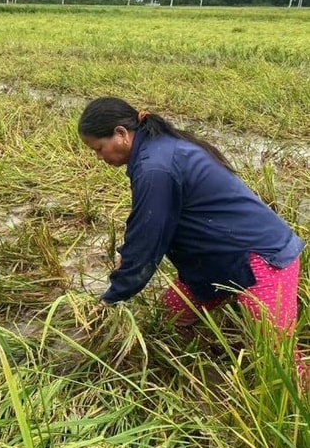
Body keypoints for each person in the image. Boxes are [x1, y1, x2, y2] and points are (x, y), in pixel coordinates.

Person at [78, 97, 306, 378]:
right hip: (215, 261)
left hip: (260, 258)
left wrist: (112, 297)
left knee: (277, 359)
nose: (100, 157)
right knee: (172, 320)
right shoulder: (157, 152)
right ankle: (198, 377)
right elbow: (147, 229)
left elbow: (147, 241)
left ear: (121, 134)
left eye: (99, 149)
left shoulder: (155, 167)